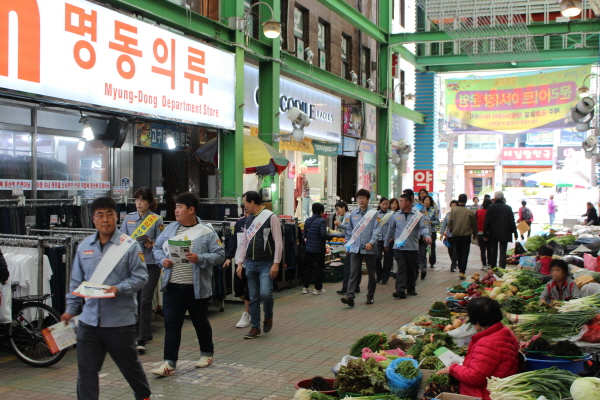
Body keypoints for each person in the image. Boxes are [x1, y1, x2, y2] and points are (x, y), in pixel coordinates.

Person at [61, 197, 151, 400]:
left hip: (120, 323)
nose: (105, 219)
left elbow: (141, 277)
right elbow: (76, 282)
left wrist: (118, 289)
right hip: (89, 322)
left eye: (109, 214)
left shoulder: (129, 246)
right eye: (100, 215)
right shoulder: (84, 246)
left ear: (116, 217)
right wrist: (70, 310)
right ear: (93, 219)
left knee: (130, 367)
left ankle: (143, 395)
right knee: (86, 372)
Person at [151, 193, 225, 376]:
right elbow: (157, 247)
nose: (176, 210)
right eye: (175, 207)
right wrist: (162, 260)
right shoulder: (170, 229)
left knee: (200, 322)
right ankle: (169, 363)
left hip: (196, 288)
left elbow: (220, 254)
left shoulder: (206, 231)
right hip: (172, 286)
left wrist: (200, 258)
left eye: (180, 207)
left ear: (191, 209)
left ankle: (207, 353)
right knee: (172, 324)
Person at [436, 297, 519, 400]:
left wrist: (452, 369)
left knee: (434, 386)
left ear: (478, 322)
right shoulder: (504, 331)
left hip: (484, 394)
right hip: (493, 387)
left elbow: (474, 378)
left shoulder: (488, 343)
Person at [120, 187, 164, 352]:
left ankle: (142, 338)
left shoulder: (156, 219)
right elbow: (122, 240)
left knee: (145, 300)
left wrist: (152, 243)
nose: (139, 203)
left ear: (150, 202)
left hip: (151, 265)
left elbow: (162, 243)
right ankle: (140, 331)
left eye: (143, 200)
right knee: (134, 300)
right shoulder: (128, 218)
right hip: (134, 266)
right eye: (137, 200)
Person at [236, 191, 283, 339]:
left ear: (252, 202)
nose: (244, 206)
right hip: (250, 263)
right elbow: (244, 242)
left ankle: (268, 316)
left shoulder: (271, 217)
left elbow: (278, 242)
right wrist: (240, 262)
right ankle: (255, 327)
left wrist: (276, 263)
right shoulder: (248, 219)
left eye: (245, 203)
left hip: (266, 263)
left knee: (266, 294)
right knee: (254, 297)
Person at [386, 194, 431, 298]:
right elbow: (390, 230)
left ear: (408, 203)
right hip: (399, 247)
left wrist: (427, 236)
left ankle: (411, 288)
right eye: (400, 201)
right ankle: (400, 290)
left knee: (411, 269)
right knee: (402, 268)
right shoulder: (396, 215)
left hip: (412, 247)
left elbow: (423, 227)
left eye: (402, 201)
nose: (400, 203)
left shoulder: (417, 215)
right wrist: (386, 243)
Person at [341, 189, 381, 307]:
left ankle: (370, 295)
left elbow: (377, 230)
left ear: (368, 199)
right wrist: (348, 243)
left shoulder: (374, 213)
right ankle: (350, 296)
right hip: (355, 247)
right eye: (359, 198)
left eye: (363, 198)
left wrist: (371, 243)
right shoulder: (353, 213)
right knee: (353, 272)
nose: (361, 200)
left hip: (369, 248)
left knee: (371, 273)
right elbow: (349, 230)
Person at [223, 208, 251, 328]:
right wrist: (229, 257)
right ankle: (252, 307)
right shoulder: (239, 223)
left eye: (248, 211)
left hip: (253, 263)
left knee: (249, 290)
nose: (246, 214)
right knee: (238, 289)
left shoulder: (258, 223)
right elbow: (233, 242)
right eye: (245, 211)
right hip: (239, 262)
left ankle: (247, 313)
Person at [302, 202, 336, 295]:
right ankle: (317, 289)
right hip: (318, 249)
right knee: (318, 268)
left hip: (308, 248)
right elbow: (323, 235)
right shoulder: (322, 221)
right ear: (321, 211)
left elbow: (305, 235)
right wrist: (331, 236)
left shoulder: (308, 220)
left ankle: (305, 287)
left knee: (308, 268)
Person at [483, 191, 518, 270]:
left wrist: (485, 233)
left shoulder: (491, 207)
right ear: (502, 198)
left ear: (495, 197)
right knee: (503, 251)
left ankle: (493, 267)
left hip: (493, 233)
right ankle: (502, 268)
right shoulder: (508, 208)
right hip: (505, 232)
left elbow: (487, 221)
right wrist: (515, 233)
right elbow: (511, 221)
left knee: (493, 250)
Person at [335, 201, 361, 295]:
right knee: (355, 266)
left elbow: (350, 230)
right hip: (352, 243)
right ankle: (356, 286)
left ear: (343, 207)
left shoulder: (348, 216)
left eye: (338, 209)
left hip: (351, 244)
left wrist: (340, 225)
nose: (337, 211)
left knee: (348, 267)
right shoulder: (347, 216)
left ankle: (346, 287)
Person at [448, 194, 477, 280]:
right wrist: (475, 234)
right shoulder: (469, 212)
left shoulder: (454, 210)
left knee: (458, 252)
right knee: (465, 253)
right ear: (466, 201)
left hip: (456, 235)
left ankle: (460, 267)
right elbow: (474, 224)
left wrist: (450, 229)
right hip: (466, 236)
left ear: (458, 200)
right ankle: (462, 271)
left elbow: (450, 221)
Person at [419, 195, 439, 279]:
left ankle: (431, 263)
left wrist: (431, 222)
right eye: (425, 200)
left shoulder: (434, 210)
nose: (426, 202)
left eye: (428, 200)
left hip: (431, 232)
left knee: (430, 249)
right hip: (420, 233)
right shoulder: (419, 210)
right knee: (420, 251)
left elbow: (437, 221)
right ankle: (420, 265)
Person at [375, 197, 394, 284]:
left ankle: (385, 277)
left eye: (386, 204)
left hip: (388, 239)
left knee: (388, 259)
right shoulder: (376, 214)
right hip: (378, 239)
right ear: (380, 204)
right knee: (377, 258)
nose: (384, 206)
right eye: (383, 204)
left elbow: (394, 227)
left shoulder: (391, 214)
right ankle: (378, 275)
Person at [440, 200, 459, 272]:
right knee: (450, 250)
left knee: (455, 250)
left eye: (455, 205)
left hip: (457, 235)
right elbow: (444, 225)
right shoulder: (448, 215)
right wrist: (442, 233)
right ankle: (454, 262)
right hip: (449, 235)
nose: (453, 207)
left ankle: (453, 265)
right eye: (452, 205)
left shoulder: (459, 215)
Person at [475, 199, 492, 271]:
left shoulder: (478, 212)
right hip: (489, 233)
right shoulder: (491, 212)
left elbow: (475, 222)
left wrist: (474, 233)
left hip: (480, 233)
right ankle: (490, 264)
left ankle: (484, 265)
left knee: (482, 250)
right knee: (489, 249)